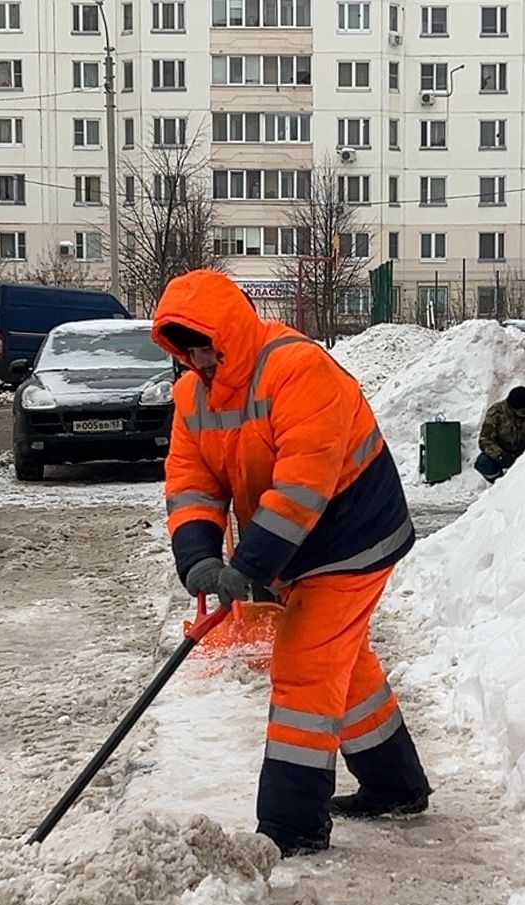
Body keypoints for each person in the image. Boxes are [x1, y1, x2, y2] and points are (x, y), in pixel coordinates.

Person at [152, 269, 433, 857]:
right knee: (343, 664)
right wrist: (200, 557)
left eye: (204, 342)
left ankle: (291, 827)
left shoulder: (297, 369)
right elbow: (191, 483)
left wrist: (249, 563)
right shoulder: (191, 398)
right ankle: (395, 784)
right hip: (293, 547)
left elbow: (303, 487)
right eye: (185, 347)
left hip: (352, 536)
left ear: (230, 331)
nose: (198, 359)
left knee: (306, 667)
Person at [474, 386, 525, 483]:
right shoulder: (496, 413)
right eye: (524, 411)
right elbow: (485, 440)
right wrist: (500, 455)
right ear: (513, 409)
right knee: (484, 463)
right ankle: (500, 484)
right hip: (503, 453)